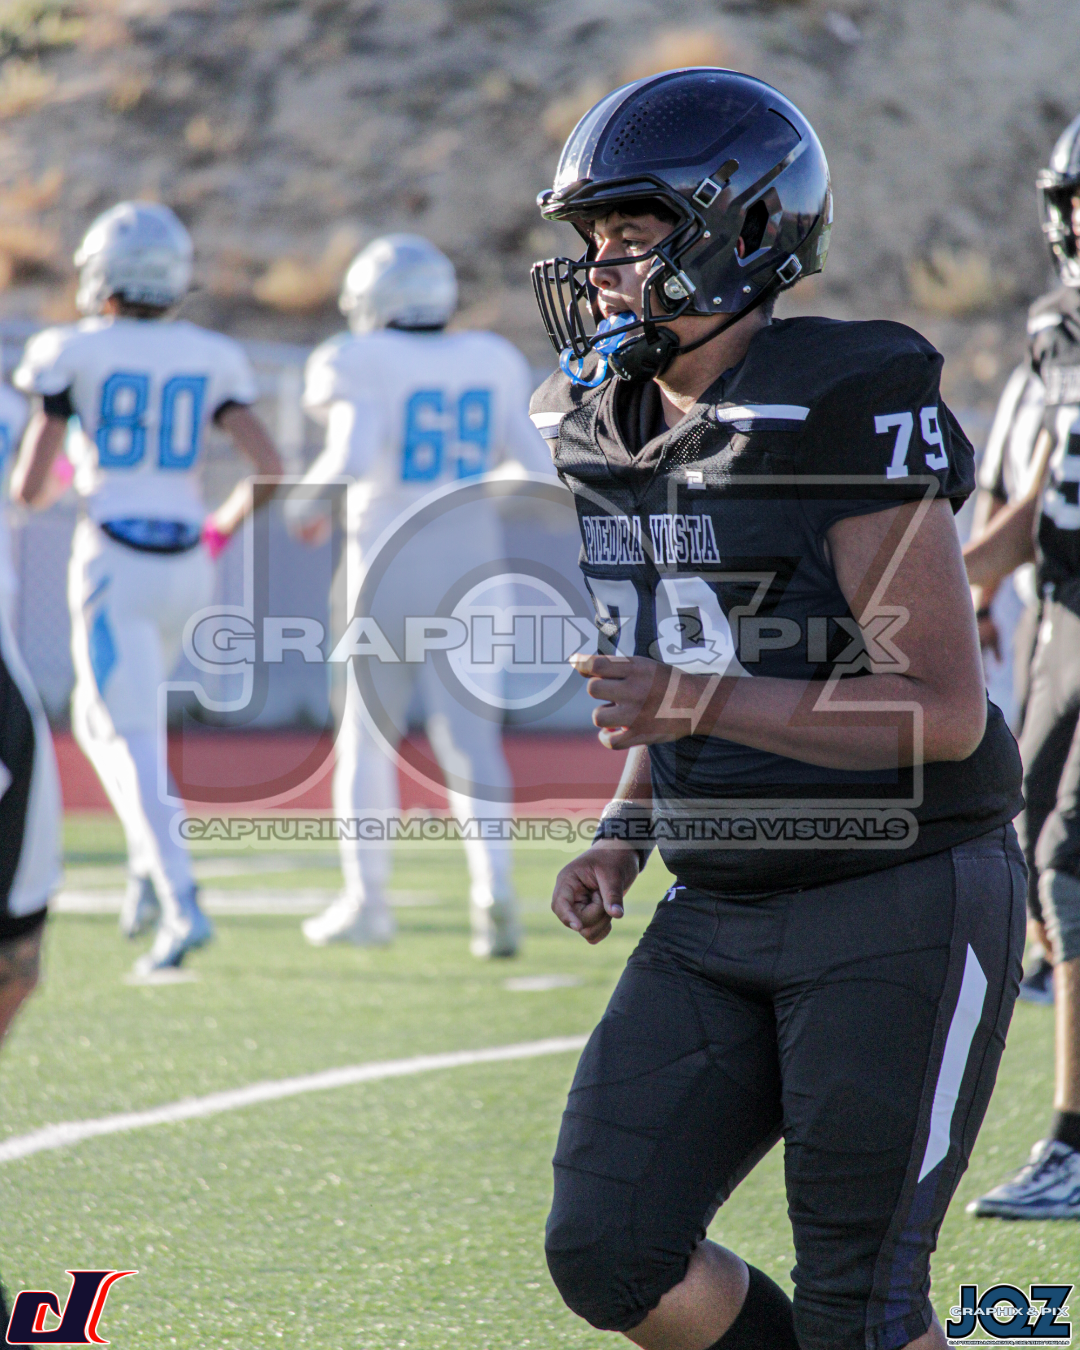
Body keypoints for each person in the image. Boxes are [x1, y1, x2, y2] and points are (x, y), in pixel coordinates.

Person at [530, 69, 1025, 1350]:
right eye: (594, 241)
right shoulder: (600, 424)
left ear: (743, 234)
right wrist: (625, 830)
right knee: (609, 1249)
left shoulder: (842, 396)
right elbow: (673, 664)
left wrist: (690, 697)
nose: (602, 271)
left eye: (633, 236)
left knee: (862, 1308)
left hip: (896, 891)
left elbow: (943, 708)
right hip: (720, 901)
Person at [10, 201, 281, 975]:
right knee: (121, 727)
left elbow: (28, 488)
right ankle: (142, 870)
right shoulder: (209, 353)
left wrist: (73, 474)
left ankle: (180, 898)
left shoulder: (72, 348)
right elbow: (270, 468)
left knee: (123, 737)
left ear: (102, 276)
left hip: (114, 561)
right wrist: (219, 528)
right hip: (188, 562)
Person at [289, 234, 552, 957]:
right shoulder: (491, 358)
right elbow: (538, 471)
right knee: (471, 743)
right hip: (472, 568)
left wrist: (303, 503)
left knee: (365, 741)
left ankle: (368, 904)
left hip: (385, 566)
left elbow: (350, 452)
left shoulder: (356, 357)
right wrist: (466, 499)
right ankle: (494, 889)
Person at [963, 111, 1080, 1219]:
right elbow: (1039, 487)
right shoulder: (1058, 330)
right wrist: (964, 583)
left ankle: (1074, 1143)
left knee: (1071, 859)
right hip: (1063, 616)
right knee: (1042, 845)